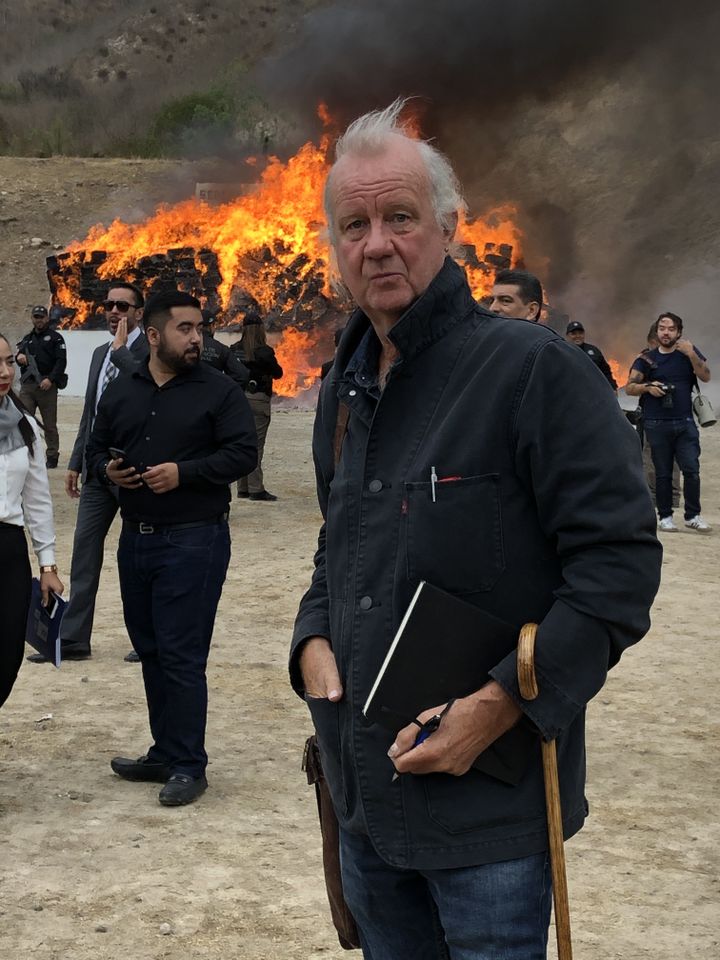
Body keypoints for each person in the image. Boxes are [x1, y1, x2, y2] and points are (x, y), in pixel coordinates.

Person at [290, 101, 662, 959]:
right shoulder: (344, 387)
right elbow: (335, 542)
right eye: (354, 224)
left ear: (450, 228)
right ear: (334, 245)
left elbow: (619, 567)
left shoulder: (537, 371)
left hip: (490, 809)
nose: (377, 242)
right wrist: (312, 639)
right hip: (366, 801)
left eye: (399, 218)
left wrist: (500, 708)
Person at [86, 290, 256, 806]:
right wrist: (106, 470)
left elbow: (243, 454)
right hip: (135, 542)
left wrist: (185, 473)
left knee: (182, 656)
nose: (196, 337)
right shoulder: (123, 389)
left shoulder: (219, 391)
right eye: (185, 329)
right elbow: (96, 446)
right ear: (154, 335)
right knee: (153, 652)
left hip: (194, 540)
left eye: (199, 328)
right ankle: (164, 751)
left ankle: (188, 764)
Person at [27, 282, 149, 665]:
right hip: (98, 473)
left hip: (134, 473)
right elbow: (90, 414)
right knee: (83, 553)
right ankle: (74, 638)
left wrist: (123, 353)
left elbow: (150, 396)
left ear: (139, 313)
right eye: (110, 305)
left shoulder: (151, 352)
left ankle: (148, 642)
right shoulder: (99, 353)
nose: (115, 312)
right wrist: (76, 462)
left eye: (123, 306)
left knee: (137, 557)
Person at [1, 333, 64, 708]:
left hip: (7, 551)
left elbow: (37, 500)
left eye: (10, 361)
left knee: (7, 656)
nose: (5, 371)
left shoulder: (25, 425)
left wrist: (48, 564)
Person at [626, 311, 711, 532]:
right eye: (662, 328)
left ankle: (693, 515)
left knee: (691, 469)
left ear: (679, 332)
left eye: (671, 328)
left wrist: (692, 354)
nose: (666, 332)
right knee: (662, 472)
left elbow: (706, 375)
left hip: (684, 422)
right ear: (657, 331)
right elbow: (630, 387)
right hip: (656, 422)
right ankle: (665, 516)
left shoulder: (688, 354)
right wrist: (648, 387)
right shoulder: (646, 359)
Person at [231, 311, 283, 502]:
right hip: (258, 399)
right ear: (261, 330)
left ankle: (243, 487)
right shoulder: (264, 352)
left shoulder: (234, 349)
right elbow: (278, 373)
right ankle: (256, 489)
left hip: (237, 400)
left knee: (241, 442)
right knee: (256, 445)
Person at [15, 305, 67, 468]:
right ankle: (25, 453)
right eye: (36, 317)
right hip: (28, 387)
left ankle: (52, 455)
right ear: (32, 318)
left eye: (41, 317)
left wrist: (50, 379)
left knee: (49, 424)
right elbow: (17, 357)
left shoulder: (55, 338)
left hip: (46, 386)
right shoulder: (26, 339)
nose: (39, 320)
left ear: (47, 318)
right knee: (24, 421)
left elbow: (61, 362)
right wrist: (19, 357)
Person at [200, 308, 249, 385]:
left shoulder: (184, 346)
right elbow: (242, 375)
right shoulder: (221, 349)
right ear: (211, 326)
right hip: (213, 394)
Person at [565, 320, 618, 390]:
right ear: (567, 335)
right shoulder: (561, 351)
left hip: (593, 392)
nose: (577, 336)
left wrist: (613, 387)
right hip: (571, 392)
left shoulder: (594, 351)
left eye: (580, 333)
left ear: (584, 334)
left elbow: (606, 371)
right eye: (573, 334)